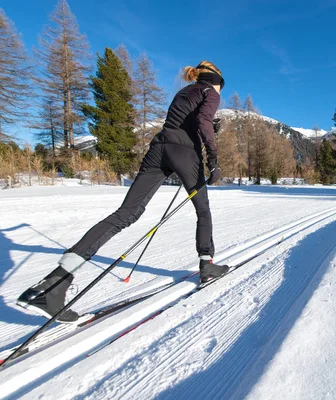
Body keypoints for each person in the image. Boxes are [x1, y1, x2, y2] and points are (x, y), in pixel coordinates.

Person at [17, 61, 229, 323]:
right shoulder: (211, 92)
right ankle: (207, 265)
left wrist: (203, 128)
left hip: (158, 148)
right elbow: (202, 120)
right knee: (203, 210)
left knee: (127, 213)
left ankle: (54, 284)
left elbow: (187, 120)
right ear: (216, 80)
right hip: (183, 152)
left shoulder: (184, 92)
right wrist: (214, 159)